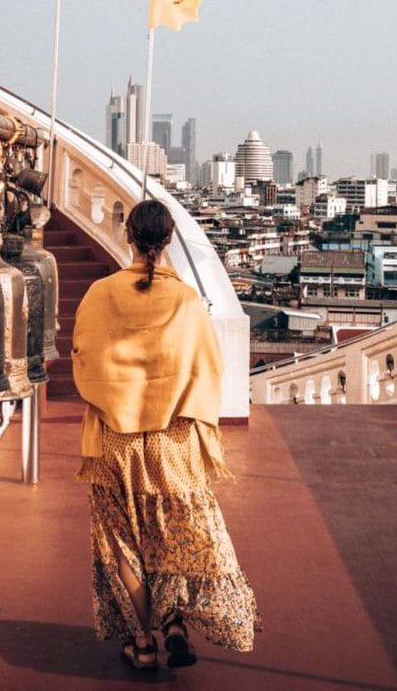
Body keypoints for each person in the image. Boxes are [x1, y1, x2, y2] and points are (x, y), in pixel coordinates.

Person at [72, 199, 260, 671]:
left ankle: (143, 642)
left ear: (128, 237)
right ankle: (176, 622)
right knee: (171, 533)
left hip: (115, 441)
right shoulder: (186, 302)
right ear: (169, 240)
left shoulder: (100, 294)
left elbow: (82, 357)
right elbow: (207, 370)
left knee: (124, 544)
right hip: (172, 440)